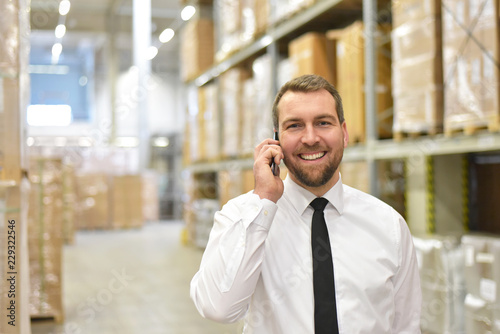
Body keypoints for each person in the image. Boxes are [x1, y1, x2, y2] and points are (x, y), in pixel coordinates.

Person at [190, 74, 422, 333]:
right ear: (276, 140)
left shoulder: (388, 225)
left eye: (323, 123)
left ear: (343, 134)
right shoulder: (243, 216)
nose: (310, 138)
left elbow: (406, 326)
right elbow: (218, 308)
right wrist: (263, 202)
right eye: (295, 126)